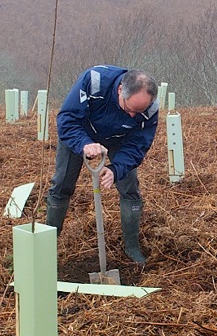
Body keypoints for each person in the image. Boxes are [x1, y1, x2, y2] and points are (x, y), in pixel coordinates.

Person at [46, 67, 159, 268]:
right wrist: (84, 143)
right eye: (129, 109)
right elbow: (68, 119)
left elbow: (137, 145)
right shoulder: (94, 82)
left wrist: (116, 169)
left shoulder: (149, 109)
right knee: (62, 184)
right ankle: (47, 244)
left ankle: (132, 247)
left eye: (138, 112)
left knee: (130, 187)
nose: (133, 116)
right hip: (80, 134)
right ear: (120, 90)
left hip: (120, 141)